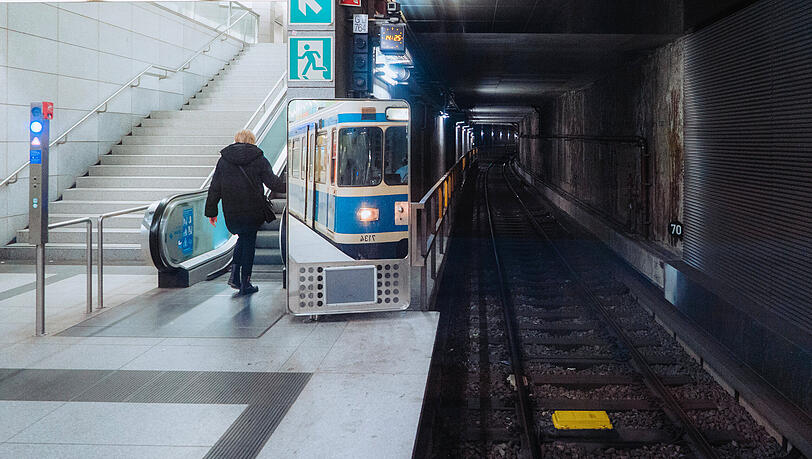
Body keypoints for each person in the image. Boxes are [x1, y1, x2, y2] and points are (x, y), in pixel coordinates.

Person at [205, 130, 285, 295]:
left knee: (243, 238)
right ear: (252, 140)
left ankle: (235, 277)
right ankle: (245, 282)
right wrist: (294, 184)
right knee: (248, 243)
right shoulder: (258, 159)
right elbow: (274, 184)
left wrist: (211, 211)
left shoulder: (224, 160)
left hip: (232, 210)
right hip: (252, 209)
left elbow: (215, 188)